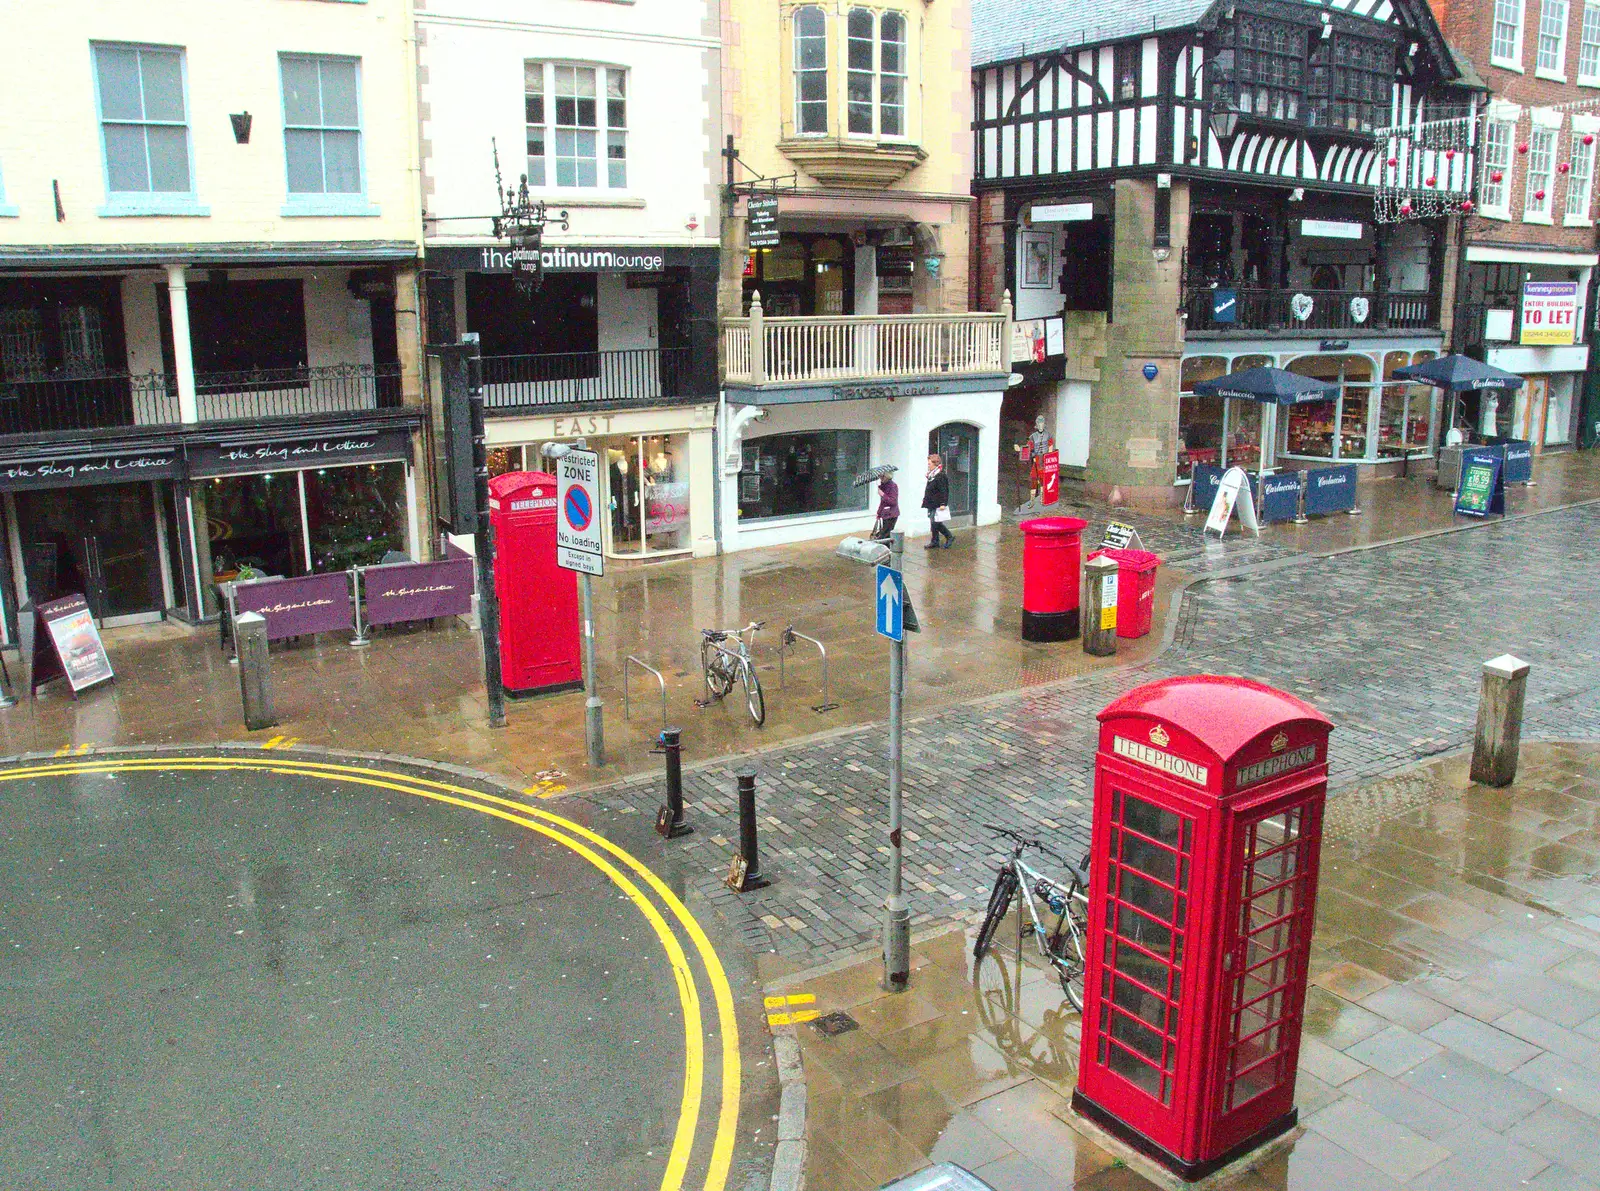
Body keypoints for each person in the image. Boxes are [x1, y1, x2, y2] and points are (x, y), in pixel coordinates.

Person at [922, 454, 954, 549]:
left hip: (937, 503)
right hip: (931, 502)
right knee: (933, 522)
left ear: (935, 464)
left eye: (929, 463)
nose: (928, 465)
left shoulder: (940, 475)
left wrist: (943, 503)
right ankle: (935, 541)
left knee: (936, 523)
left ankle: (949, 537)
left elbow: (944, 490)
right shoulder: (931, 475)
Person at [871, 473, 899, 540]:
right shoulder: (883, 486)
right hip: (885, 514)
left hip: (891, 514)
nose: (880, 478)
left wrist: (883, 494)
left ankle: (888, 549)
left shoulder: (893, 486)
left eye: (881, 477)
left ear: (886, 477)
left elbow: (893, 501)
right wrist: (879, 513)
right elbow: (883, 503)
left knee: (886, 536)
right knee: (883, 535)